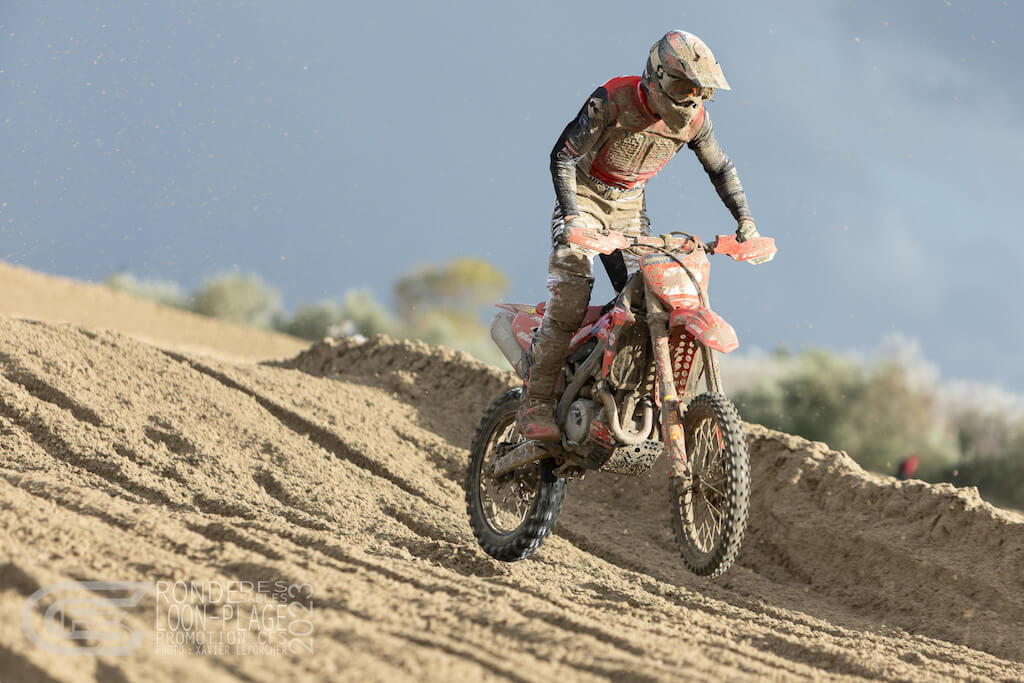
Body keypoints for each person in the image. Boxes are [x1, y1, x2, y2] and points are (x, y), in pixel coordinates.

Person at [518, 30, 766, 441]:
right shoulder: (613, 99)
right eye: (684, 87)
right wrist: (574, 218)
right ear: (657, 77)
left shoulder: (696, 121)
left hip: (630, 208)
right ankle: (536, 405)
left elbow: (721, 168)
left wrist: (747, 222)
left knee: (648, 299)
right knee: (571, 296)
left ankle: (618, 394)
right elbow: (563, 157)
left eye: (700, 91)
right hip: (583, 197)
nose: (692, 99)